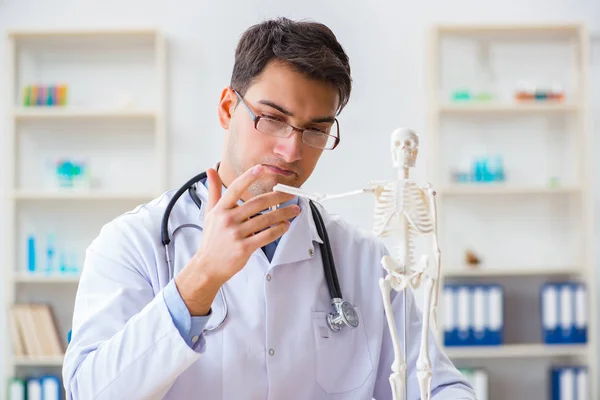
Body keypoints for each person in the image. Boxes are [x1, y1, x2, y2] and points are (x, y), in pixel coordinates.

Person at [62, 17, 476, 400]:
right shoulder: (133, 243)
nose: (291, 149)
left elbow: (437, 384)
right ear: (228, 108)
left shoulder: (365, 261)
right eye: (272, 118)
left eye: (316, 129)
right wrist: (200, 279)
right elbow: (89, 391)